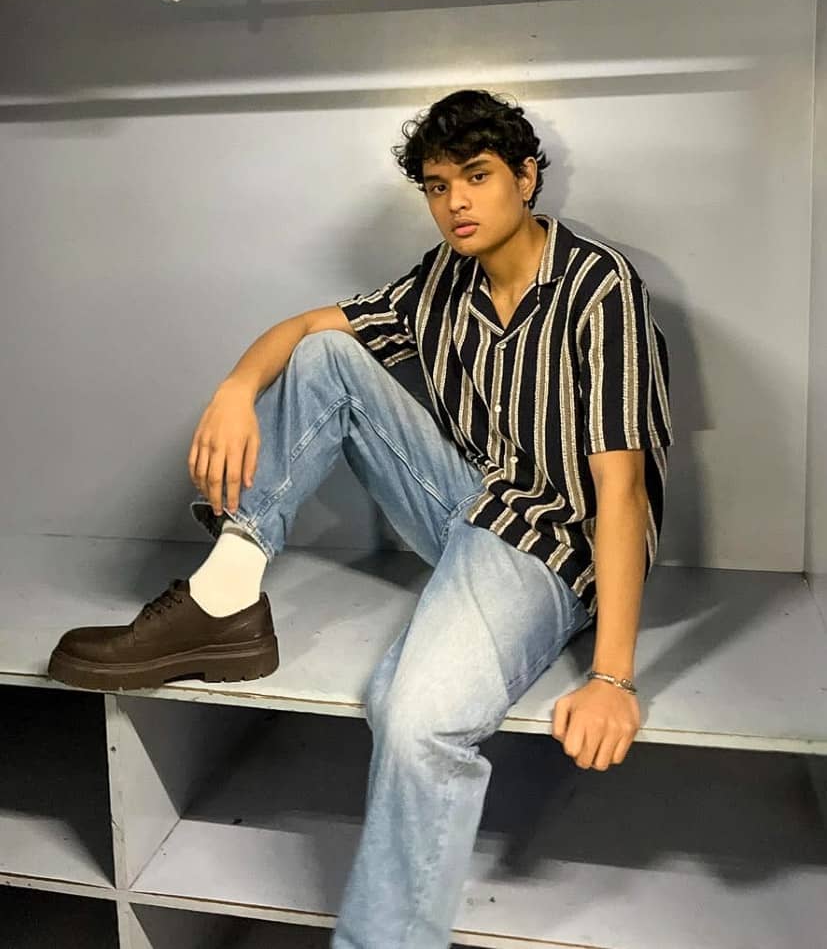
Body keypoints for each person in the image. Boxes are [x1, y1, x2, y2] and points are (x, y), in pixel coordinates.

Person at [47, 89, 674, 948]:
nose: (455, 202)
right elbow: (310, 326)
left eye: (477, 177)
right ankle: (226, 594)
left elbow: (622, 491)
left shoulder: (597, 287)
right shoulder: (443, 277)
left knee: (413, 717)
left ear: (525, 178)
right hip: (468, 501)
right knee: (326, 354)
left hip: (552, 545)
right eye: (437, 185)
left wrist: (611, 679)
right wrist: (235, 388)